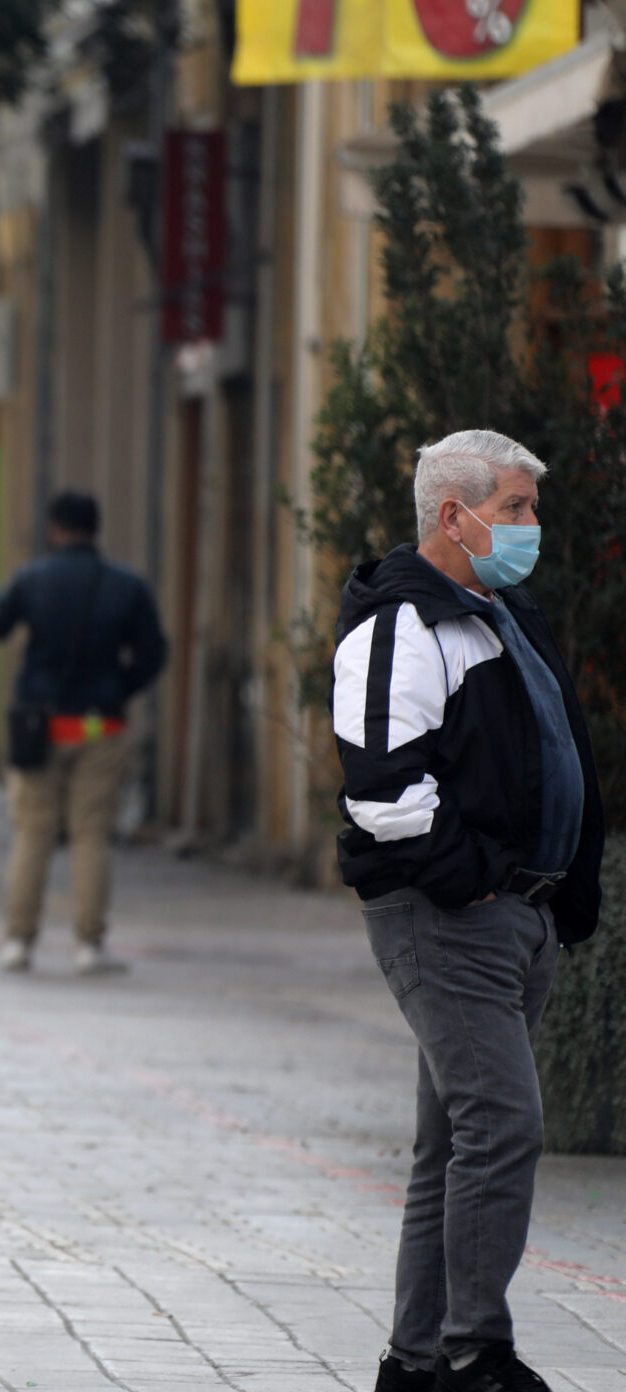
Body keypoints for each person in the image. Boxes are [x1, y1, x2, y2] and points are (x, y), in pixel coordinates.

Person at [332, 430, 603, 1392]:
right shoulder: (399, 627)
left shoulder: (503, 615)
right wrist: (477, 877)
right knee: (503, 1124)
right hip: (447, 916)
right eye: (518, 509)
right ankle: (473, 1351)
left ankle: (413, 1361)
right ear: (456, 515)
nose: (534, 527)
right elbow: (380, 790)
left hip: (517, 917)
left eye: (533, 508)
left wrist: (554, 890)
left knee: (453, 1140)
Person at [0, 491, 165, 976]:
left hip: (40, 726)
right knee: (91, 836)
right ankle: (89, 945)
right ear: (95, 528)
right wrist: (118, 689)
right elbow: (154, 654)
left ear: (55, 529)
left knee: (33, 834)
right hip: (99, 723)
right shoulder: (127, 586)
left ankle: (18, 942)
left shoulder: (33, 579)